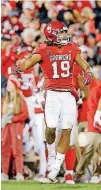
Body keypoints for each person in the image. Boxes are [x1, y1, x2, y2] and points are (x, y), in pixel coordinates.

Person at [15, 20, 93, 182]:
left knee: (66, 129)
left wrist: (88, 72)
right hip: (52, 93)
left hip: (68, 95)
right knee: (50, 127)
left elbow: (84, 65)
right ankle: (51, 152)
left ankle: (56, 167)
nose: (64, 36)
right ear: (52, 35)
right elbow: (28, 63)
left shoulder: (71, 48)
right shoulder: (43, 49)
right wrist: (20, 66)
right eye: (61, 33)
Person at [1, 76, 28, 181]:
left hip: (16, 126)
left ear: (14, 85)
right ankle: (4, 173)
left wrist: (13, 119)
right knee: (4, 149)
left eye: (9, 84)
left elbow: (25, 114)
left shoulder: (20, 99)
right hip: (5, 127)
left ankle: (19, 173)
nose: (7, 85)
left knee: (17, 150)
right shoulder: (4, 100)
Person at [76, 83, 101, 183]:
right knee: (91, 149)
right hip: (95, 122)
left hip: (93, 119)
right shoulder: (96, 88)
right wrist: (97, 119)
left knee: (94, 149)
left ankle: (96, 174)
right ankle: (79, 173)